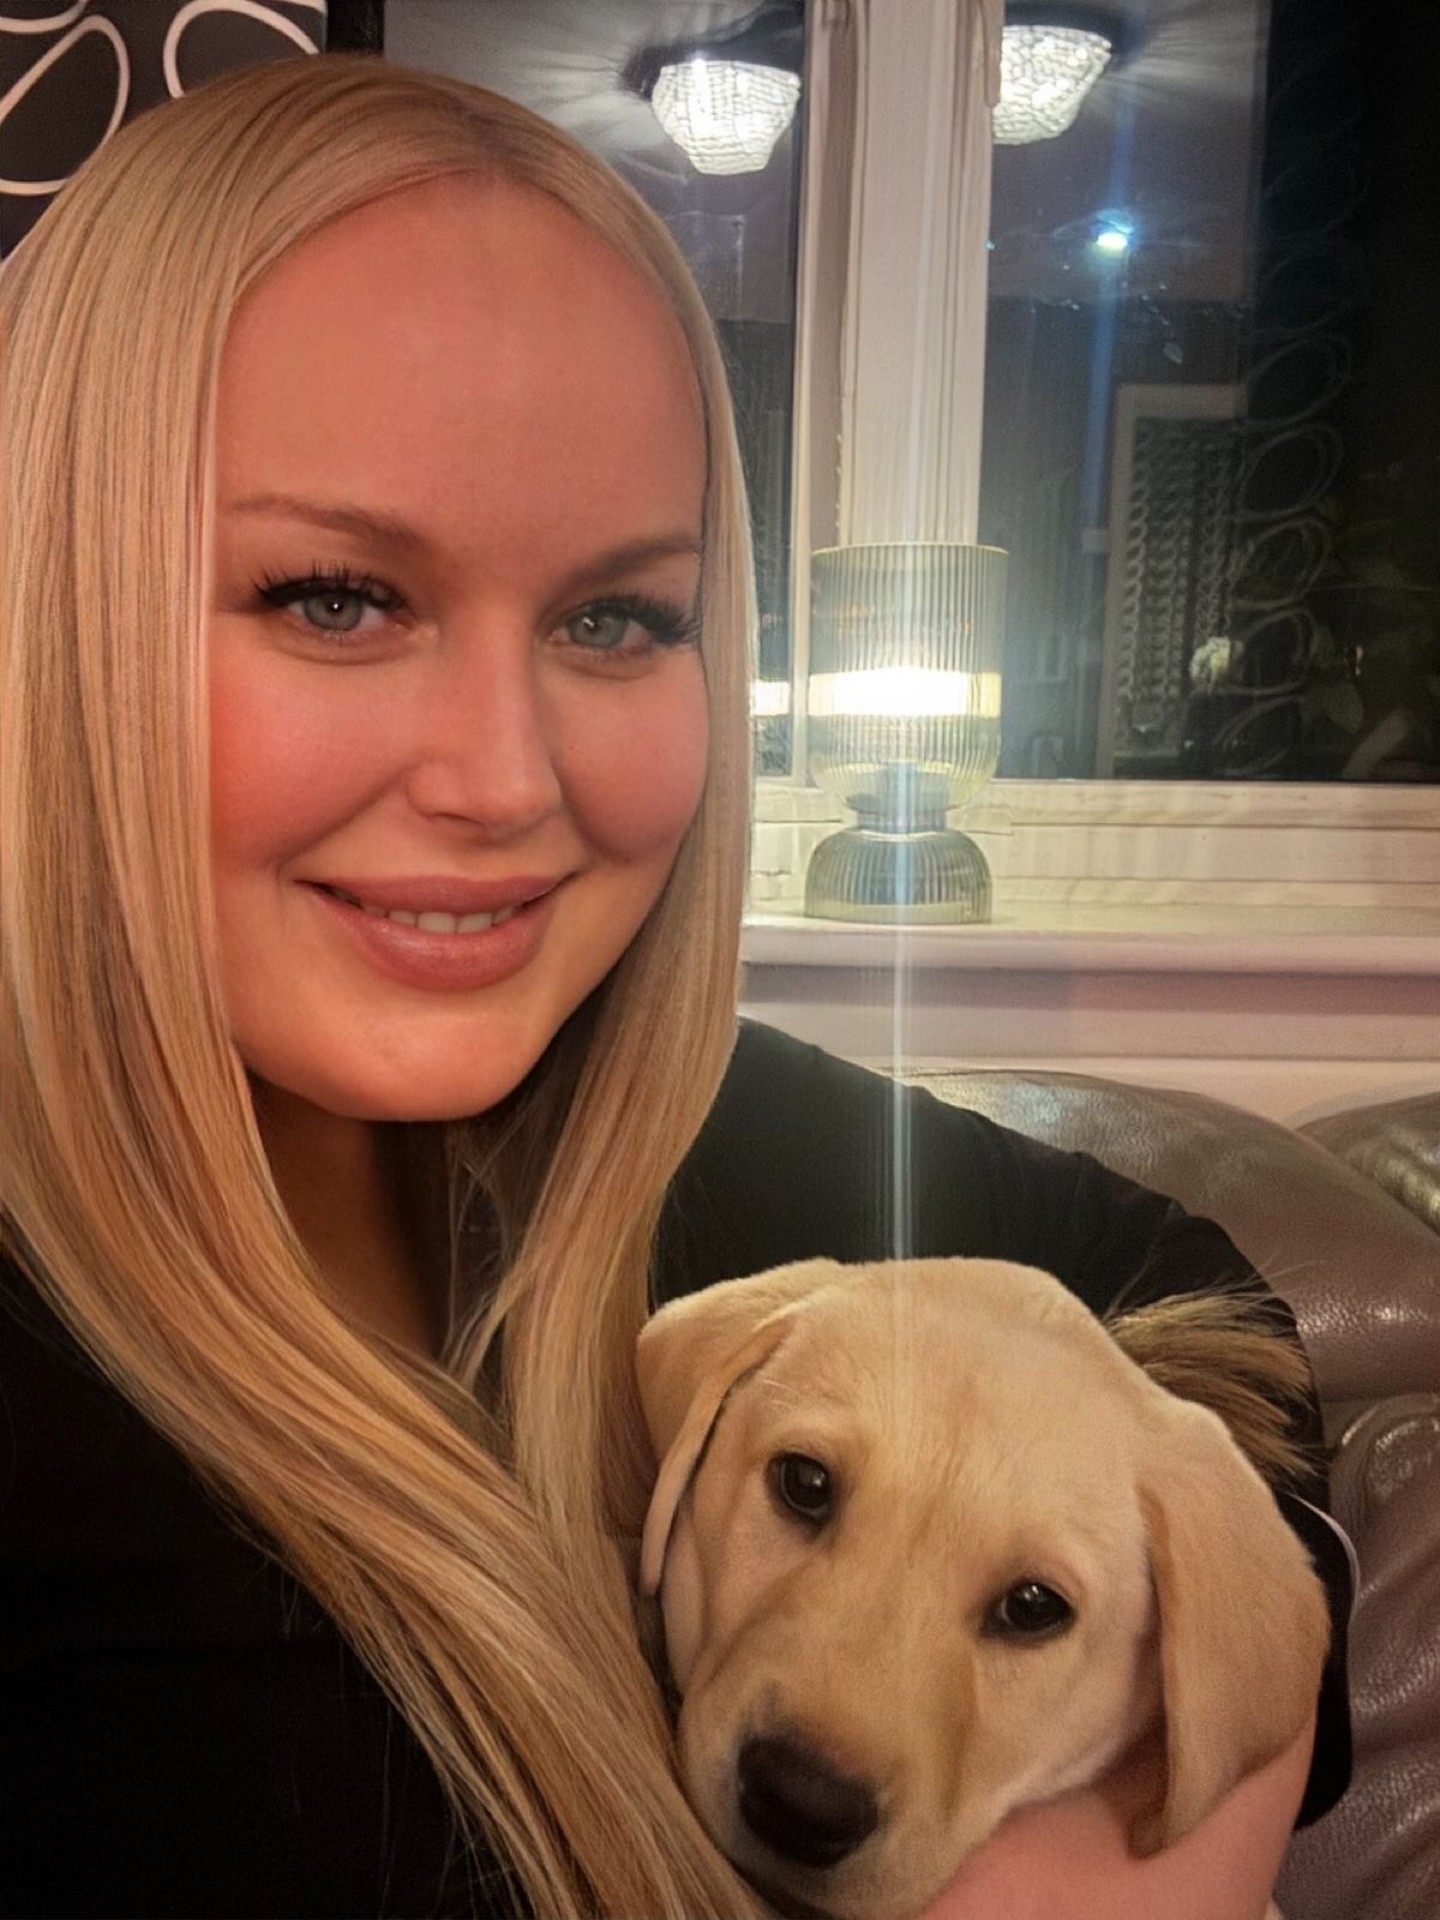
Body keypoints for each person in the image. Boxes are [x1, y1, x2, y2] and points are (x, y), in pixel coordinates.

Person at [0, 54, 1348, 1920]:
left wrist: (1134, 1839)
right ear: (51, 603)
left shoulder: (672, 1123)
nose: (505, 777)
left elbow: (1202, 1307)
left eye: (618, 617)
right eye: (334, 596)